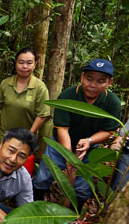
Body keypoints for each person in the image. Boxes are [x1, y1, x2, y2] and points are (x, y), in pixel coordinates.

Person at [32, 59, 121, 212]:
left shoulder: (112, 102)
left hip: (90, 148)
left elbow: (108, 131)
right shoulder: (68, 96)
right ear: (82, 77)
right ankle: (34, 207)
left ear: (109, 82)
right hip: (61, 144)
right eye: (89, 79)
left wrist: (89, 141)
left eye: (101, 81)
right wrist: (69, 156)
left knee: (83, 186)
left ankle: (73, 220)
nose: (93, 85)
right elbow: (62, 129)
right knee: (44, 176)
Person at [0, 47, 50, 173]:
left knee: (21, 170)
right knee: (2, 167)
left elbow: (42, 115)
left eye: (29, 63)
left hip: (26, 138)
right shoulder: (6, 84)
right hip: (5, 136)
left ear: (35, 64)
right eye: (21, 62)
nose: (25, 66)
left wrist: (27, 136)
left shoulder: (39, 88)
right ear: (15, 63)